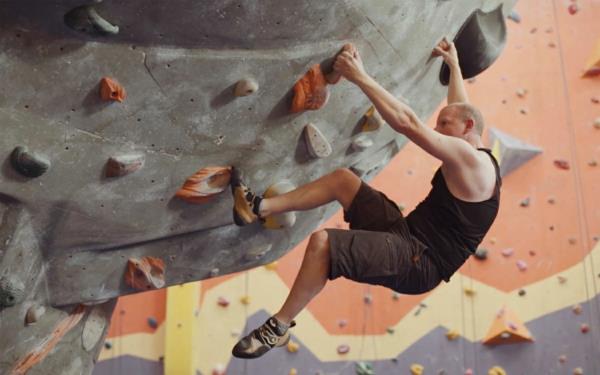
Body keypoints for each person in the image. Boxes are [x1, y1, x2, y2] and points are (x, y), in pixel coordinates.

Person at [229, 38, 502, 359]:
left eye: (444, 125)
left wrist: (358, 74)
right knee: (344, 182)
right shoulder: (473, 148)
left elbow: (408, 123)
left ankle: (277, 327)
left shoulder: (472, 162)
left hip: (419, 261)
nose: (438, 129)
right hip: (406, 235)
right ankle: (259, 207)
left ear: (467, 127)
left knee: (324, 244)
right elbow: (460, 109)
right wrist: (454, 66)